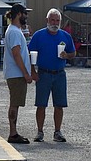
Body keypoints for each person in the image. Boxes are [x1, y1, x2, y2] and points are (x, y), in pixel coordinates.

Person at [28, 8, 76, 142]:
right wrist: (33, 72)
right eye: (52, 20)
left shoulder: (65, 36)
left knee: (59, 105)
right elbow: (30, 54)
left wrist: (67, 55)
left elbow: (73, 53)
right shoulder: (38, 35)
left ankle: (57, 132)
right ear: (47, 20)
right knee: (41, 104)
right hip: (43, 73)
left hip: (60, 74)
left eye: (57, 20)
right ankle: (39, 132)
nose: (55, 23)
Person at [2, 3, 36, 144]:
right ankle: (13, 133)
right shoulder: (15, 32)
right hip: (16, 74)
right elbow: (16, 54)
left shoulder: (14, 30)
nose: (26, 17)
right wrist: (26, 74)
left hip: (14, 73)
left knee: (14, 103)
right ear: (18, 14)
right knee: (14, 103)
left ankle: (13, 132)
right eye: (25, 13)